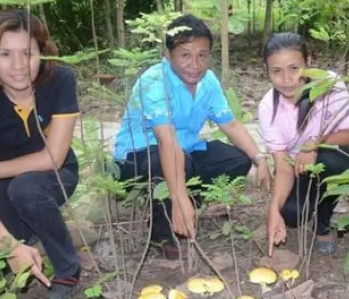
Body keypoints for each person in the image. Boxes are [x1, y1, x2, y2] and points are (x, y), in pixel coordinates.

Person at [0, 9, 81, 299]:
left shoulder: (60, 80)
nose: (19, 65)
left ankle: (67, 267)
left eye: (28, 53)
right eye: (5, 54)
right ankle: (29, 236)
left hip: (55, 175)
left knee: (26, 189)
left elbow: (53, 158)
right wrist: (8, 245)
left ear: (42, 52)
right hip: (2, 180)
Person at [114, 14, 270, 253]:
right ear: (167, 55)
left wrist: (259, 159)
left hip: (184, 152)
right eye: (185, 55)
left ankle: (186, 206)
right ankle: (162, 234)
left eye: (202, 55)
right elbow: (167, 141)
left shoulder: (208, 81)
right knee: (177, 162)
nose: (194, 65)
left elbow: (231, 125)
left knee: (237, 160)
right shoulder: (154, 81)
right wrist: (178, 197)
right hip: (137, 158)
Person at [259, 33, 349, 256]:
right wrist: (273, 211)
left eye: (294, 68)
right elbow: (283, 167)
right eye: (277, 71)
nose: (287, 79)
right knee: (291, 214)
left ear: (309, 62)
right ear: (268, 72)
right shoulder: (268, 108)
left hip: (334, 155)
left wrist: (314, 143)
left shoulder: (331, 85)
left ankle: (322, 225)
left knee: (335, 162)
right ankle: (304, 208)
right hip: (298, 168)